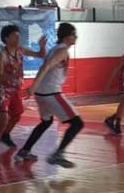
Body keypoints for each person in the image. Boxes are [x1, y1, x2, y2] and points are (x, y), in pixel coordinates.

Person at [15, 23, 84, 168]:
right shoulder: (62, 51)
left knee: (46, 122)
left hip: (42, 93)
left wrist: (42, 49)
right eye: (74, 34)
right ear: (67, 36)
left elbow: (45, 63)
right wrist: (32, 86)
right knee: (77, 123)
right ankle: (58, 154)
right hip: (50, 92)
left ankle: (24, 151)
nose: (76, 37)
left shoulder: (55, 49)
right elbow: (45, 66)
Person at [0, 24, 47, 158]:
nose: (18, 39)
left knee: (17, 115)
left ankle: (5, 135)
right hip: (2, 89)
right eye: (15, 36)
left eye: (19, 36)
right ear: (6, 38)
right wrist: (14, 75)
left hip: (15, 89)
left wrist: (42, 46)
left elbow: (40, 55)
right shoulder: (1, 55)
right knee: (3, 118)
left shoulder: (20, 50)